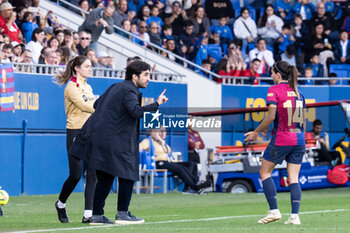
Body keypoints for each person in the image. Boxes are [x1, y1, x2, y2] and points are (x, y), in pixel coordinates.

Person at [69, 60, 168, 225]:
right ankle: (122, 214)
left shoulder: (116, 86)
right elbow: (135, 112)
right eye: (145, 75)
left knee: (106, 176)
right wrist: (156, 104)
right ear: (134, 76)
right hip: (115, 139)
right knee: (127, 172)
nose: (148, 79)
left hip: (100, 138)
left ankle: (97, 215)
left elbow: (96, 104)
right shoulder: (130, 90)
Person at [245, 61, 306, 225]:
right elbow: (304, 121)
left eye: (272, 73)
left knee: (265, 173)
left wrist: (255, 133)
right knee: (294, 178)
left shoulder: (274, 90)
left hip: (282, 137)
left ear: (278, 74)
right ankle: (294, 216)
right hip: (300, 138)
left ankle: (274, 211)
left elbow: (271, 117)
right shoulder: (299, 92)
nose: (271, 76)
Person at [53, 55, 97, 224]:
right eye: (87, 66)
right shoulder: (71, 87)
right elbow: (84, 106)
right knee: (76, 175)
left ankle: (88, 215)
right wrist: (102, 109)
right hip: (75, 132)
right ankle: (60, 204)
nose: (90, 68)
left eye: (90, 66)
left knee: (93, 173)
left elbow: (91, 108)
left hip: (90, 132)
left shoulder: (88, 86)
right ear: (77, 68)